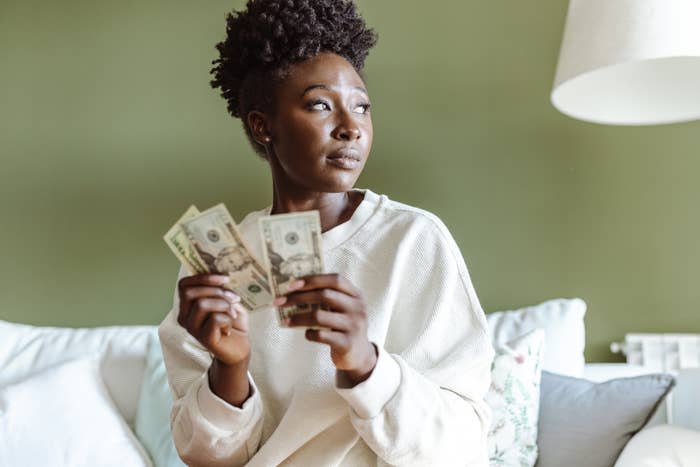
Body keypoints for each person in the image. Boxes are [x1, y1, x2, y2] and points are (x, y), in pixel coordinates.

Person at [157, 1, 495, 465]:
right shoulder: (214, 267)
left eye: (362, 107)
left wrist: (366, 363)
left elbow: (463, 448)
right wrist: (229, 368)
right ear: (263, 126)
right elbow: (205, 458)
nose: (351, 128)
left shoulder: (413, 241)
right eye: (320, 105)